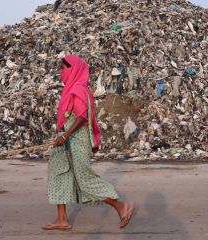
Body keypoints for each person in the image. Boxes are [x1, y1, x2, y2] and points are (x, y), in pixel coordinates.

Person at [43, 55, 135, 230]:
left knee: (84, 179)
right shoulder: (70, 89)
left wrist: (64, 136)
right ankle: (62, 219)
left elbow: (81, 117)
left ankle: (120, 206)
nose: (60, 73)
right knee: (58, 175)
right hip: (64, 142)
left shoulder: (78, 89)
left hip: (75, 140)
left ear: (73, 70)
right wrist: (62, 136)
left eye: (63, 69)